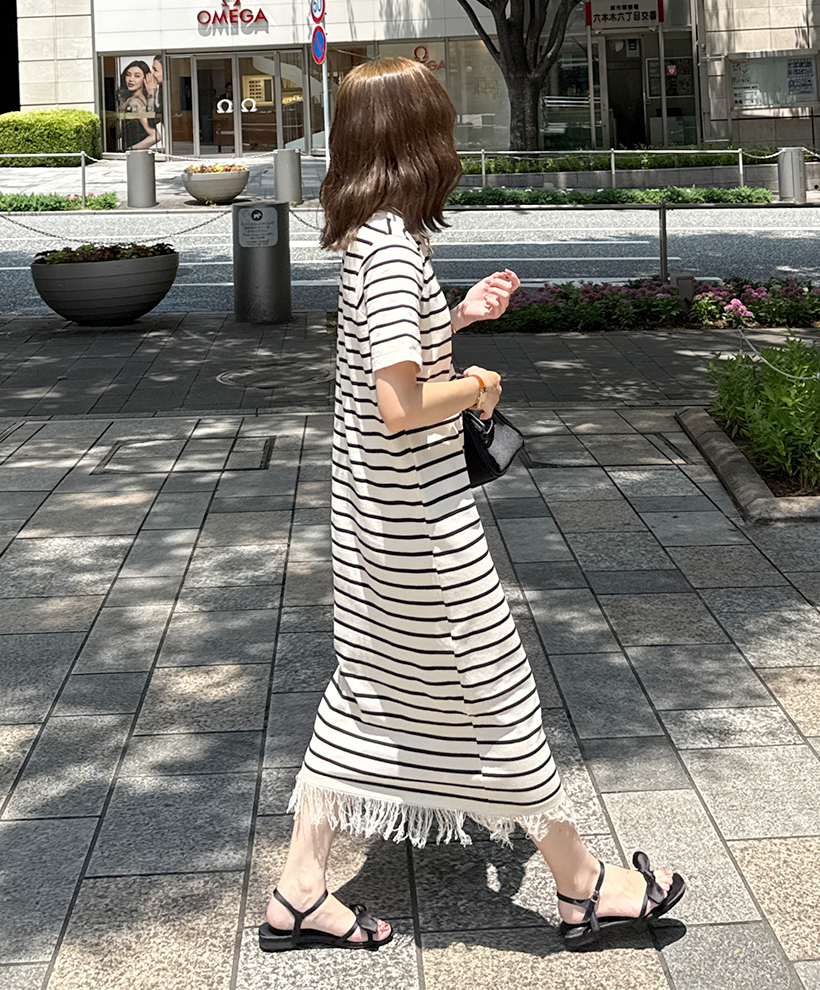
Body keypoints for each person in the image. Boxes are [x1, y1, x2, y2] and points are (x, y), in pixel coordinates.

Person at [259, 56, 685, 955]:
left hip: (379, 519)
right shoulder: (389, 251)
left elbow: (388, 361)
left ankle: (298, 890)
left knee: (370, 689)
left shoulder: (373, 239)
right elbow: (399, 403)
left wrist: (453, 321)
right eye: (442, 123)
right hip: (420, 528)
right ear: (417, 138)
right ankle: (583, 884)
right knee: (493, 690)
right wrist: (479, 384)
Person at [118, 59, 159, 150]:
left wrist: (130, 150)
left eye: (137, 76)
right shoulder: (138, 100)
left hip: (134, 154)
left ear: (145, 80)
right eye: (128, 75)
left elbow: (155, 136)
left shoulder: (136, 103)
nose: (131, 79)